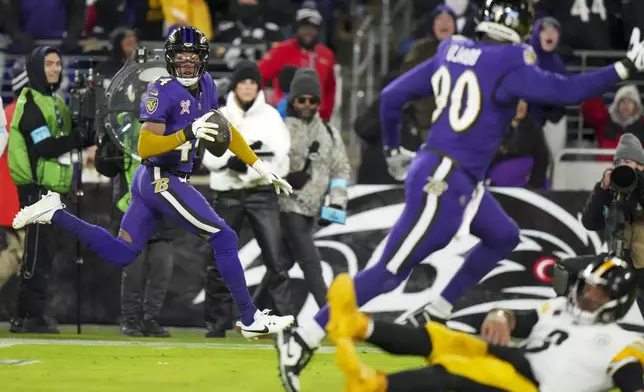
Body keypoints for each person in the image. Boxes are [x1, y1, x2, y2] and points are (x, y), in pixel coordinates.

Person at [274, 0, 644, 389]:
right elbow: (568, 91)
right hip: (448, 177)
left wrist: (392, 151)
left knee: (502, 236)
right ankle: (303, 337)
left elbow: (392, 97)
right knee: (388, 272)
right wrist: (625, 67)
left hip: (454, 175)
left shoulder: (452, 49)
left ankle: (435, 311)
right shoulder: (509, 61)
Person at [11, 26, 295, 339]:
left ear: (203, 60)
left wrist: (259, 166)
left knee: (122, 254)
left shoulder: (208, 85)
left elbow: (223, 128)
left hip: (156, 180)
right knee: (224, 237)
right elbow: (145, 147)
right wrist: (188, 133)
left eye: (193, 57)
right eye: (181, 57)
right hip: (161, 178)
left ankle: (55, 213)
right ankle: (250, 317)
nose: (187, 63)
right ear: (170, 59)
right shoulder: (162, 89)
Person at [326, 257, 644, 392]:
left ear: (618, 302)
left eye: (598, 292)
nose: (587, 294)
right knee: (444, 339)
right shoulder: (560, 307)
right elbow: (518, 321)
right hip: (518, 364)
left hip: (534, 387)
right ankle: (357, 324)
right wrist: (501, 316)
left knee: (458, 367)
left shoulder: (619, 344)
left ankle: (376, 385)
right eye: (587, 286)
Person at [201, 60, 292, 337]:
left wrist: (250, 164)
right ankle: (216, 323)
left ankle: (279, 321)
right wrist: (231, 161)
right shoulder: (220, 114)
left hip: (261, 194)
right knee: (219, 260)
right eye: (243, 82)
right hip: (227, 194)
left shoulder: (272, 116)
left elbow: (281, 153)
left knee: (276, 261)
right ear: (235, 86)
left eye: (253, 82)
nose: (248, 87)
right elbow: (207, 156)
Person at [7, 46, 95, 334]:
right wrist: (77, 137)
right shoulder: (30, 102)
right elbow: (44, 146)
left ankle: (32, 313)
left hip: (51, 189)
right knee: (35, 254)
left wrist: (86, 128)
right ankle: (27, 315)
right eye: (49, 64)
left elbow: (74, 137)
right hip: (34, 189)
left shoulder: (55, 101)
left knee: (42, 254)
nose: (55, 69)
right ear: (35, 68)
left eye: (58, 63)